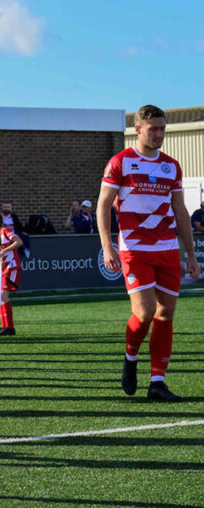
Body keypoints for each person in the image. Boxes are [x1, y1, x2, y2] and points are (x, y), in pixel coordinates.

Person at [98, 104, 201, 403]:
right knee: (144, 313)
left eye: (162, 128)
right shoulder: (121, 162)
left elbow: (180, 210)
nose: (159, 134)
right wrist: (107, 246)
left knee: (165, 314)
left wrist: (190, 253)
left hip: (167, 248)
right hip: (134, 249)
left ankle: (158, 382)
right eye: (153, 129)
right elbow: (104, 205)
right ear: (138, 130)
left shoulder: (172, 165)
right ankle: (130, 357)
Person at [0, 215, 23, 336]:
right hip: (0, 269)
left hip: (11, 267)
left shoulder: (4, 230)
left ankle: (9, 327)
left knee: (3, 295)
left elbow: (19, 241)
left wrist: (4, 251)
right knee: (0, 297)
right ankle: (5, 326)